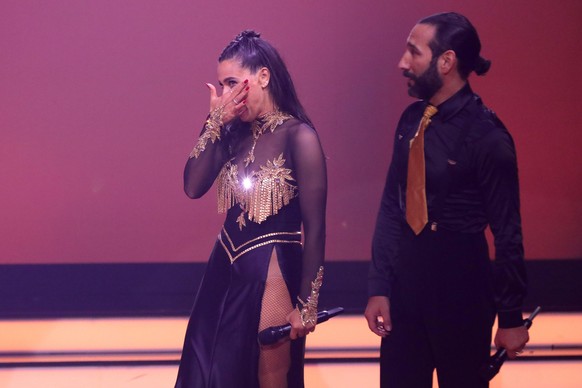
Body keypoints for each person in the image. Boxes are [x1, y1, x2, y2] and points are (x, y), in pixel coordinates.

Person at [364, 12, 529, 388]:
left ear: (446, 61)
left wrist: (510, 316)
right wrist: (379, 286)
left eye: (413, 53)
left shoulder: (488, 137)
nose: (402, 63)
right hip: (406, 282)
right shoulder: (410, 121)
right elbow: (393, 206)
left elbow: (507, 232)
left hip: (462, 286)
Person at [175, 30, 327, 388]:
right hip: (223, 268)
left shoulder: (299, 136)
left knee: (268, 375)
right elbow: (193, 186)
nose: (226, 95)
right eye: (221, 85)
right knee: (206, 371)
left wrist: (307, 303)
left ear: (263, 76)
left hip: (272, 272)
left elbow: (315, 227)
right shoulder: (230, 134)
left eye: (231, 82)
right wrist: (214, 122)